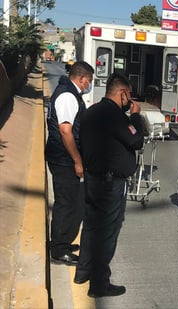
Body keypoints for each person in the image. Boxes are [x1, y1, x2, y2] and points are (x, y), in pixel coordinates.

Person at [74, 73, 145, 298]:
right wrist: (135, 117)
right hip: (111, 184)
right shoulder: (116, 116)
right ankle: (99, 283)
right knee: (108, 232)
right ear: (123, 94)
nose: (130, 101)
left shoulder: (91, 111)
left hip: (93, 178)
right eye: (129, 96)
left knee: (92, 226)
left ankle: (83, 272)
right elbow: (136, 140)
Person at [45, 61, 94, 266]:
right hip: (64, 158)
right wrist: (77, 160)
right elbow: (66, 130)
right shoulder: (67, 96)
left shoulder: (68, 92)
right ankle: (59, 249)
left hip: (62, 156)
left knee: (70, 201)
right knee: (66, 203)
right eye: (89, 81)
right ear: (81, 78)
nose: (89, 85)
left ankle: (61, 241)